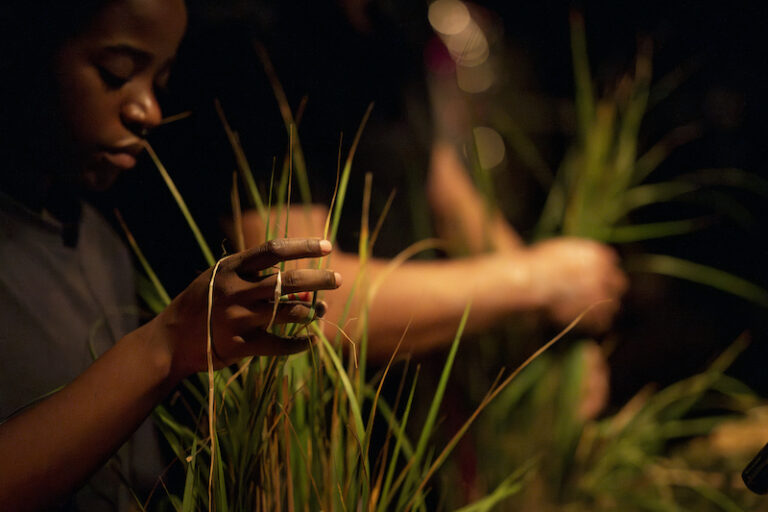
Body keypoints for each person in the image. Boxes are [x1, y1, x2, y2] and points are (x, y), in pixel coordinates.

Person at [0, 1, 340, 510]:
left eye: (160, 82)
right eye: (117, 72)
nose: (149, 111)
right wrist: (167, 344)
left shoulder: (103, 246)